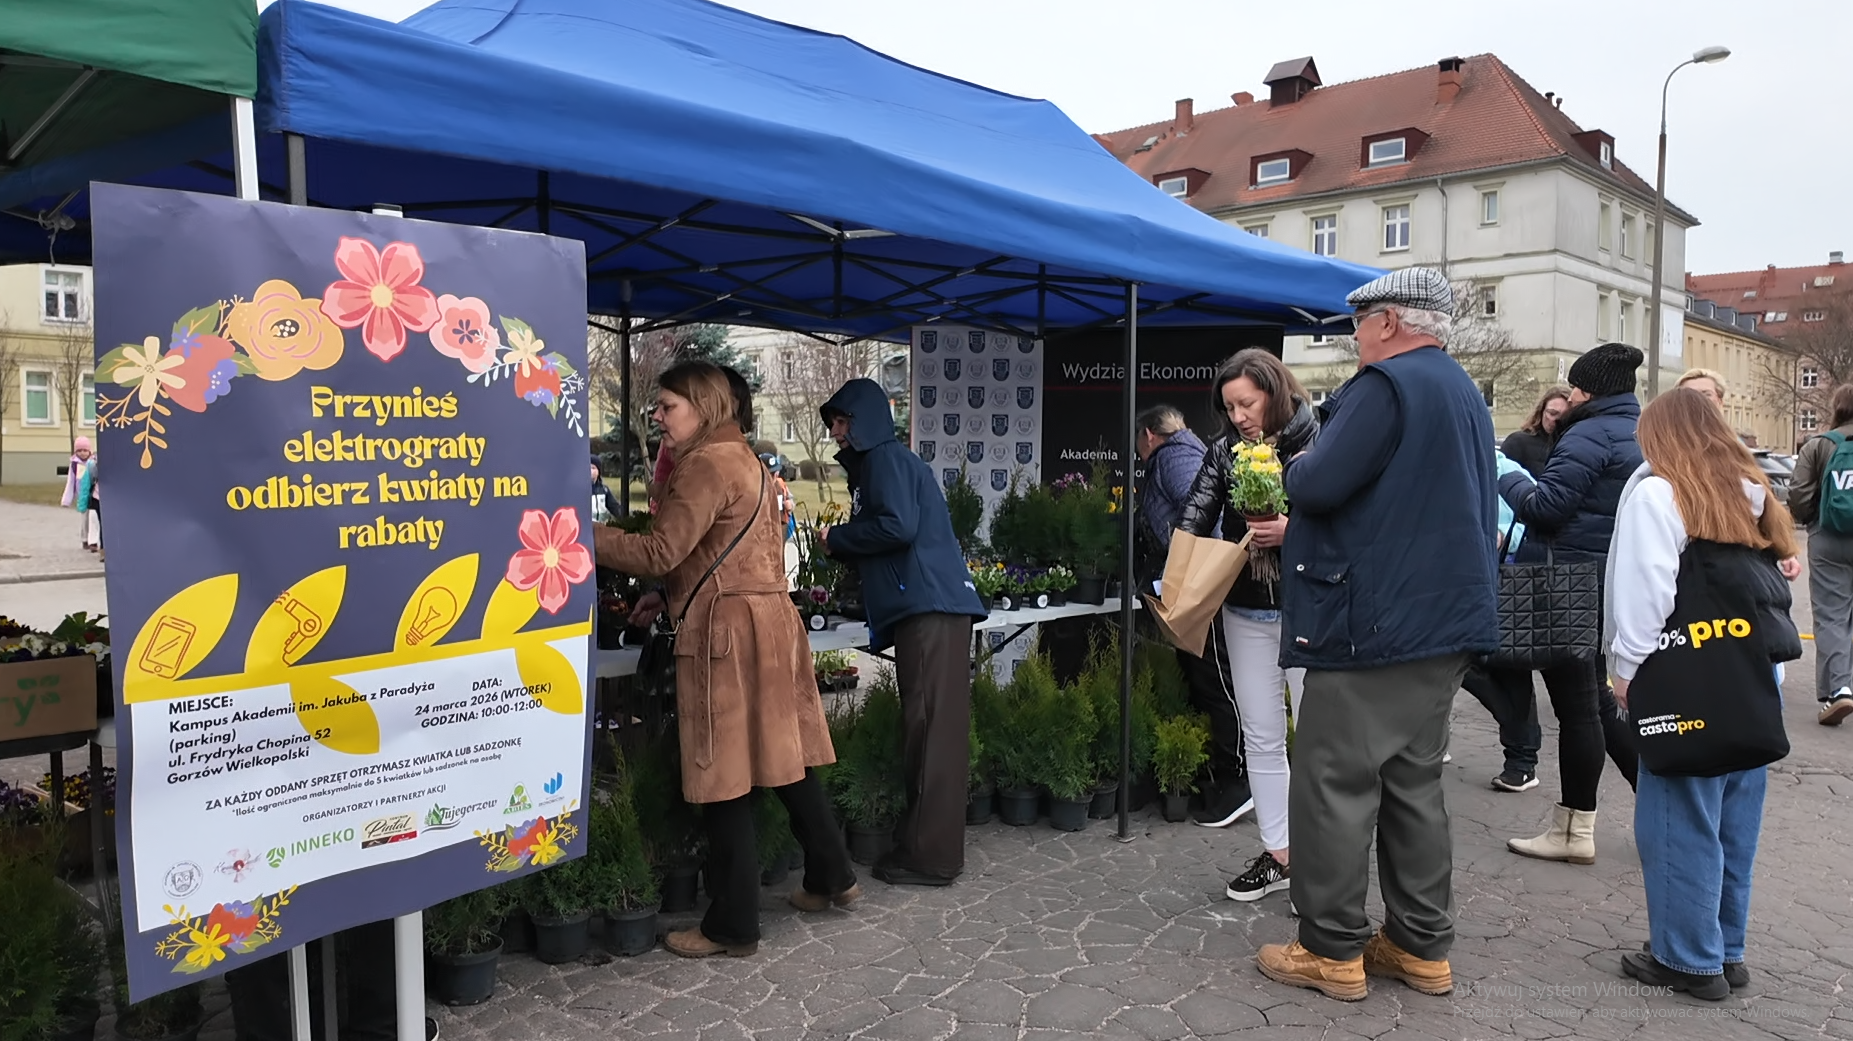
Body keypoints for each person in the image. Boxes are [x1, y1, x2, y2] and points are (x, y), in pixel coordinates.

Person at [1257, 268, 1497, 1002]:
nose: (1353, 334)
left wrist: (1295, 463)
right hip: (1441, 623)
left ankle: (1328, 948)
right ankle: (1419, 945)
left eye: (1358, 322)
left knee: (1332, 780)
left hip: (1374, 625)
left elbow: (1320, 483)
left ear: (1388, 322)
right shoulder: (1460, 390)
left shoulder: (1383, 386)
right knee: (1412, 782)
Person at [595, 361, 856, 957]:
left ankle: (733, 924)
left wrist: (583, 534)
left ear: (705, 407)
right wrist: (670, 593)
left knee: (725, 774)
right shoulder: (751, 462)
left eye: (668, 406)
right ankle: (832, 875)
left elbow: (662, 549)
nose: (657, 417)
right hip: (769, 621)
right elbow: (721, 550)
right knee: (785, 759)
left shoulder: (706, 466)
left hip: (727, 634)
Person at [1607, 388, 1802, 1000]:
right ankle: (1726, 948)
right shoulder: (1749, 495)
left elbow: (1647, 592)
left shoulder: (1659, 493)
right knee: (1733, 821)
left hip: (1685, 679)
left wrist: (1624, 671)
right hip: (1750, 674)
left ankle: (1688, 959)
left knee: (1676, 818)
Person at [818, 377, 986, 886]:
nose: (836, 434)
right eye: (833, 425)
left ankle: (932, 859)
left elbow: (897, 526)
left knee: (932, 733)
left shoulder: (886, 459)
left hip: (930, 609)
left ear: (865, 420)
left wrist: (837, 539)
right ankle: (922, 848)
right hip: (930, 609)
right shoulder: (885, 462)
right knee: (928, 730)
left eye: (843, 422)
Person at [1496, 343, 1644, 863]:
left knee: (1579, 711)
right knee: (1598, 704)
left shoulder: (1588, 432)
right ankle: (1659, 805)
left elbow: (1547, 507)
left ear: (1591, 389)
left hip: (1566, 583)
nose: (1574, 394)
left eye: (1579, 386)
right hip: (1607, 582)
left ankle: (1574, 830)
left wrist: (1504, 474)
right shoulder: (1638, 430)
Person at [1176, 350, 1316, 893]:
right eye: (1229, 407)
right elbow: (1194, 513)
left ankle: (1321, 857)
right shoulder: (1223, 451)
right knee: (1261, 736)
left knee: (1316, 737)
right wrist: (1179, 568)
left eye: (1247, 403)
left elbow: (1349, 524)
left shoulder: (1317, 440)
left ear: (1274, 392)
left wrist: (1292, 532)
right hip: (1245, 609)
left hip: (1309, 609)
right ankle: (1279, 854)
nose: (1238, 416)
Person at [1136, 404, 1251, 828]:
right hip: (1199, 587)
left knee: (1216, 681)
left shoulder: (1174, 457)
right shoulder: (1187, 450)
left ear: (1149, 435)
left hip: (1203, 590)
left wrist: (1200, 575)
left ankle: (1240, 780)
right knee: (1206, 678)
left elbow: (1205, 512)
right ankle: (1228, 775)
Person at [1460, 450, 1542, 792]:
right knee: (1459, 665)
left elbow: (1538, 515)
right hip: (1456, 581)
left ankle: (1521, 759)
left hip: (1503, 580)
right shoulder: (1437, 461)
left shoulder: (1501, 467)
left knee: (1510, 669)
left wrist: (1501, 532)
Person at [1784, 381, 1853, 726]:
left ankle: (1838, 691)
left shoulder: (1820, 445)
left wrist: (1811, 521)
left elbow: (1798, 494)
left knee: (1832, 614)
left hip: (1829, 537)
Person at [1502, 387, 1570, 479]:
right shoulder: (1518, 442)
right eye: (1552, 413)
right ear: (1541, 412)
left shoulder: (1574, 447)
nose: (1556, 420)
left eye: (1564, 416)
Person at [60, 437, 98, 551]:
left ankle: (93, 540)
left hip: (92, 493)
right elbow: (70, 482)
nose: (82, 453)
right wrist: (66, 500)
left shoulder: (93, 462)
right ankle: (85, 539)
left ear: (89, 451)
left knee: (93, 517)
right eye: (79, 450)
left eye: (85, 450)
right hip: (82, 495)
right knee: (84, 518)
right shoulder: (74, 465)